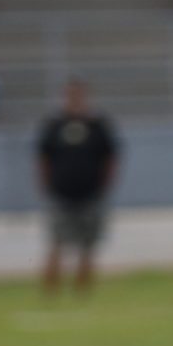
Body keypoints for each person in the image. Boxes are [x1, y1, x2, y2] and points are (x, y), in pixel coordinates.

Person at [36, 79, 120, 295]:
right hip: (61, 193)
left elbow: (111, 157)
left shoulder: (97, 125)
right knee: (56, 243)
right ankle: (50, 293)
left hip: (91, 193)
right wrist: (46, 186)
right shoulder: (54, 125)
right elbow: (42, 157)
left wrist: (105, 186)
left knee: (88, 246)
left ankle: (82, 292)